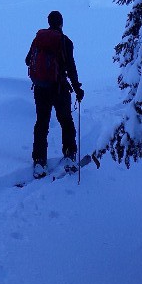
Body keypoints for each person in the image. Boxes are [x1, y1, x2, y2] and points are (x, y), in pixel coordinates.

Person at [25, 10, 84, 178]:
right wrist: (77, 88)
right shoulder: (65, 41)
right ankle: (69, 154)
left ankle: (39, 161)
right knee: (65, 120)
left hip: (40, 88)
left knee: (41, 123)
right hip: (59, 88)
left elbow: (28, 60)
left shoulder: (38, 39)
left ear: (49, 22)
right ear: (61, 23)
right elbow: (71, 68)